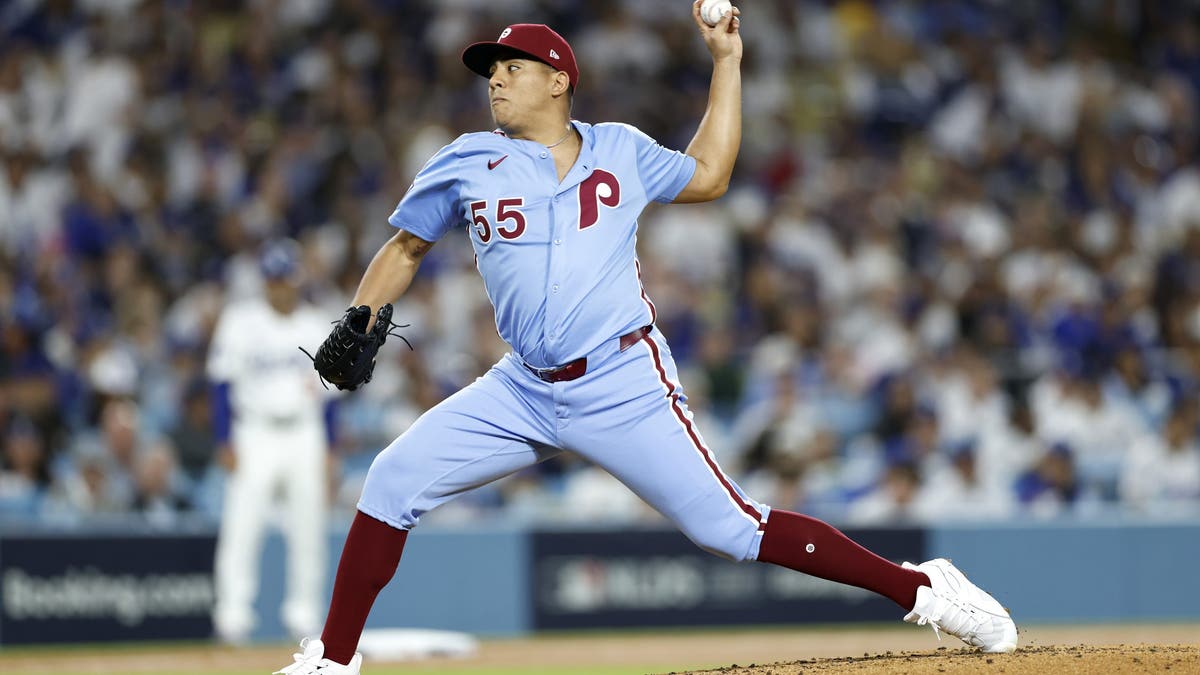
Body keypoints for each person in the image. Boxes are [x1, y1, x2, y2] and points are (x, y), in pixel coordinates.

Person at [275, 5, 1017, 673]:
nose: (495, 81)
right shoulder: (466, 159)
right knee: (391, 479)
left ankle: (922, 587)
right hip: (522, 386)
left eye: (511, 68)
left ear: (558, 80)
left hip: (620, 381)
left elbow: (710, 173)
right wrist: (360, 315)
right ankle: (334, 660)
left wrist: (726, 61)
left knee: (731, 527)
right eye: (490, 71)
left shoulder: (618, 150)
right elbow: (404, 249)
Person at [209, 238, 339, 644]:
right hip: (255, 432)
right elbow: (220, 384)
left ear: (296, 279)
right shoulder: (240, 320)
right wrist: (224, 439)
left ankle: (304, 617)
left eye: (284, 277)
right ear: (264, 281)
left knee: (309, 529)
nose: (279, 286)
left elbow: (331, 396)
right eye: (272, 278)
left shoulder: (317, 323)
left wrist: (330, 449)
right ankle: (232, 618)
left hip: (305, 431)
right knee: (242, 527)